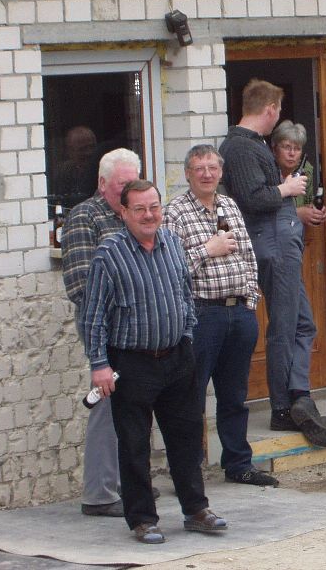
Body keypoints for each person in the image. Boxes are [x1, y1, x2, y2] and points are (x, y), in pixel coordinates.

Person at [81, 179, 227, 544]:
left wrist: (187, 336)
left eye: (154, 207)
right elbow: (93, 316)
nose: (149, 215)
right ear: (124, 213)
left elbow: (185, 295)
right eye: (140, 209)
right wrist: (99, 365)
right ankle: (143, 519)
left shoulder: (173, 244)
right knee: (134, 445)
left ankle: (196, 510)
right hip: (132, 363)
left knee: (186, 438)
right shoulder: (109, 254)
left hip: (177, 357)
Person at [220, 79, 326, 448]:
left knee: (303, 324)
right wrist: (287, 189)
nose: (278, 116)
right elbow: (252, 198)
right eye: (279, 110)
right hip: (272, 245)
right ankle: (282, 407)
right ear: (270, 109)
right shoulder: (240, 146)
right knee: (284, 328)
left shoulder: (252, 144)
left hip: (282, 242)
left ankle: (299, 395)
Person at [163, 144, 278, 487]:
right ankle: (189, 471)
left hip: (239, 313)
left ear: (221, 172)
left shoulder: (229, 205)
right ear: (187, 174)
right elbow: (169, 268)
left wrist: (250, 299)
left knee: (234, 395)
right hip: (202, 315)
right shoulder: (175, 213)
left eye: (212, 168)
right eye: (199, 168)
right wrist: (207, 250)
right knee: (191, 397)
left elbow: (248, 256)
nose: (207, 174)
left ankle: (238, 464)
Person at [61, 148, 141, 518]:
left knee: (132, 405)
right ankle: (99, 494)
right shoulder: (85, 216)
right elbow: (81, 285)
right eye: (122, 185)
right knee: (106, 405)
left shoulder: (135, 215)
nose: (129, 192)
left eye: (134, 184)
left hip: (136, 326)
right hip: (104, 325)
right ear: (102, 183)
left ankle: (125, 482)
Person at [271, 120, 326, 228]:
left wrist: (314, 211)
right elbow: (261, 209)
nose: (292, 153)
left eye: (297, 149)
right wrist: (297, 213)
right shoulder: (266, 169)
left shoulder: (306, 170)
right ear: (274, 149)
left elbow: (307, 201)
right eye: (287, 147)